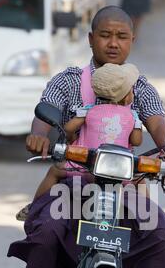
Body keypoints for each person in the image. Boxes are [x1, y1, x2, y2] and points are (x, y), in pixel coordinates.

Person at [7, 6, 165, 268]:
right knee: (46, 230)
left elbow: (159, 126)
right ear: (91, 38)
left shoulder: (140, 88)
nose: (113, 43)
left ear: (132, 42)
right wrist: (40, 136)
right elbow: (44, 114)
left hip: (122, 188)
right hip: (74, 182)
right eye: (105, 35)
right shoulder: (68, 81)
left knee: (164, 237)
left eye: (121, 37)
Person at [15, 62, 143, 221]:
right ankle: (144, 218)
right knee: (141, 181)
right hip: (118, 173)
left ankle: (34, 208)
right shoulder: (132, 116)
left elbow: (68, 128)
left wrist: (73, 138)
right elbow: (137, 141)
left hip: (84, 169)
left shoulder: (88, 110)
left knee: (54, 172)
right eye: (131, 89)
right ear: (125, 96)